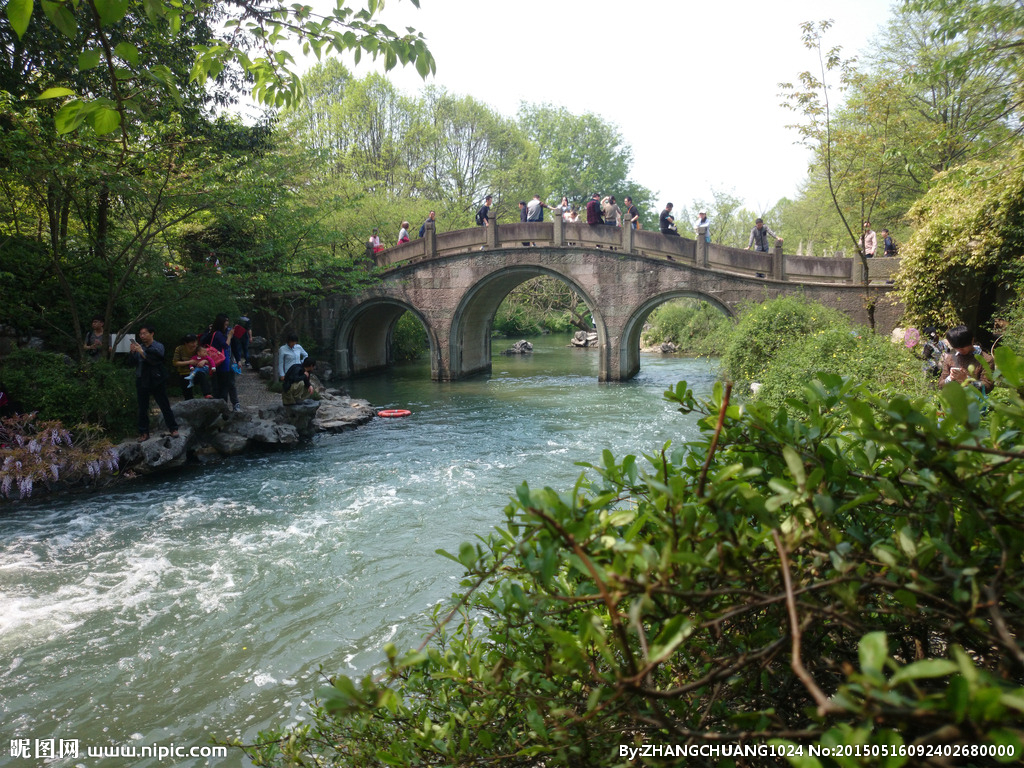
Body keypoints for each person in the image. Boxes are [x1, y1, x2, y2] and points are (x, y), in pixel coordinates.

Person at [129, 324, 178, 442]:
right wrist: (132, 352)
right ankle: (144, 432)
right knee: (142, 407)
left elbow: (156, 359)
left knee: (164, 404)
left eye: (145, 333)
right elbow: (131, 363)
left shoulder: (158, 346)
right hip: (141, 378)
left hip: (156, 379)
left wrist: (143, 353)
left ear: (152, 334)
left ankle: (173, 428)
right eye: (141, 334)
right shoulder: (139, 346)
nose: (142, 336)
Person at [939, 325, 994, 393]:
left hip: (975, 401)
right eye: (956, 348)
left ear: (972, 340)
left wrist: (967, 380)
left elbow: (988, 386)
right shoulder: (951, 358)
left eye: (962, 347)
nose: (960, 350)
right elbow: (940, 385)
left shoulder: (986, 359)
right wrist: (950, 378)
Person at [210, 314, 240, 411]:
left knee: (229, 384)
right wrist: (230, 336)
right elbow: (225, 345)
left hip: (227, 362)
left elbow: (234, 346)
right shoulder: (217, 334)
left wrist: (238, 359)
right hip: (220, 364)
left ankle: (233, 405)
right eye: (225, 323)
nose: (227, 326)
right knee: (221, 387)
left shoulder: (225, 332)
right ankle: (222, 409)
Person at [172, 334, 211, 400]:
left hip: (196, 372)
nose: (194, 344)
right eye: (192, 343)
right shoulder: (179, 349)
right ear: (186, 343)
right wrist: (190, 362)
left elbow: (209, 360)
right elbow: (175, 362)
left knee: (202, 375)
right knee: (187, 395)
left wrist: (204, 361)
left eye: (195, 342)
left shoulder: (198, 349)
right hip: (184, 373)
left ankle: (207, 394)